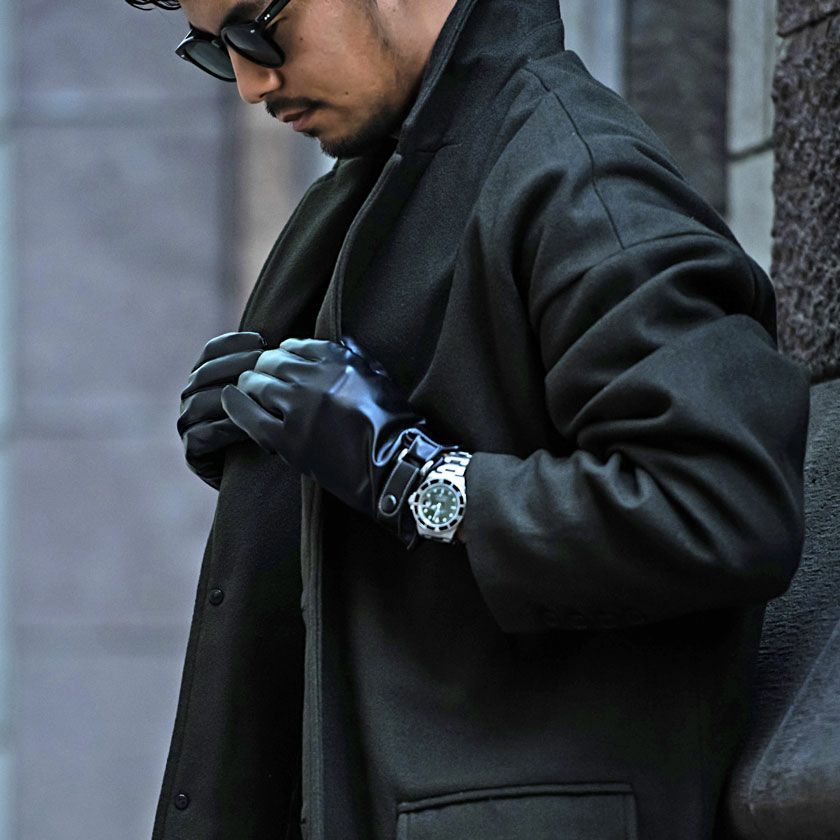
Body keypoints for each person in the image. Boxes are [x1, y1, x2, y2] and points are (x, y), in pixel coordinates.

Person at [125, 0, 812, 838]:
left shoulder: (580, 175)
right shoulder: (364, 192)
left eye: (256, 27)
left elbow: (722, 507)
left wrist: (412, 474)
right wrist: (269, 453)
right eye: (211, 49)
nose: (250, 82)